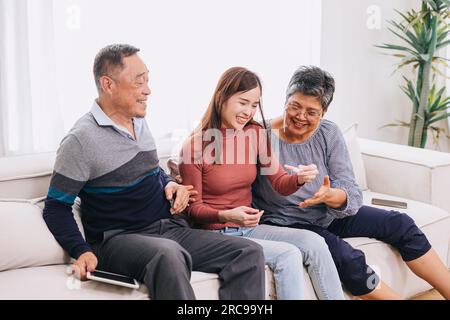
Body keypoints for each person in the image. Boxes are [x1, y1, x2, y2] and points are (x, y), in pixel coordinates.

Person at [43, 44, 266, 300]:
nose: (148, 90)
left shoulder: (139, 120)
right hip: (118, 239)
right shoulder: (81, 141)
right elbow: (56, 207)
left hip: (167, 227)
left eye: (147, 80)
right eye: (139, 82)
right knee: (168, 253)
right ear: (108, 84)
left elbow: (152, 172)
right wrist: (80, 250)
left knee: (248, 253)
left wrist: (171, 183)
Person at [251, 65, 450, 299]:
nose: (300, 116)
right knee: (346, 257)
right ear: (285, 100)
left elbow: (349, 188)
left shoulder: (328, 133)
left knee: (401, 224)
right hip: (287, 223)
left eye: (311, 112)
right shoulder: (258, 135)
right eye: (295, 106)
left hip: (328, 213)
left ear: (323, 112)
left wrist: (331, 196)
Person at [178, 67, 344, 300]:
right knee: (288, 255)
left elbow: (279, 182)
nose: (248, 112)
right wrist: (227, 215)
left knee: (315, 243)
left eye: (254, 105)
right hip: (217, 234)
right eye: (243, 103)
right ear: (221, 98)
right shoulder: (195, 146)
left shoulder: (255, 134)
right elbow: (193, 210)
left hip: (250, 227)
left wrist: (298, 179)